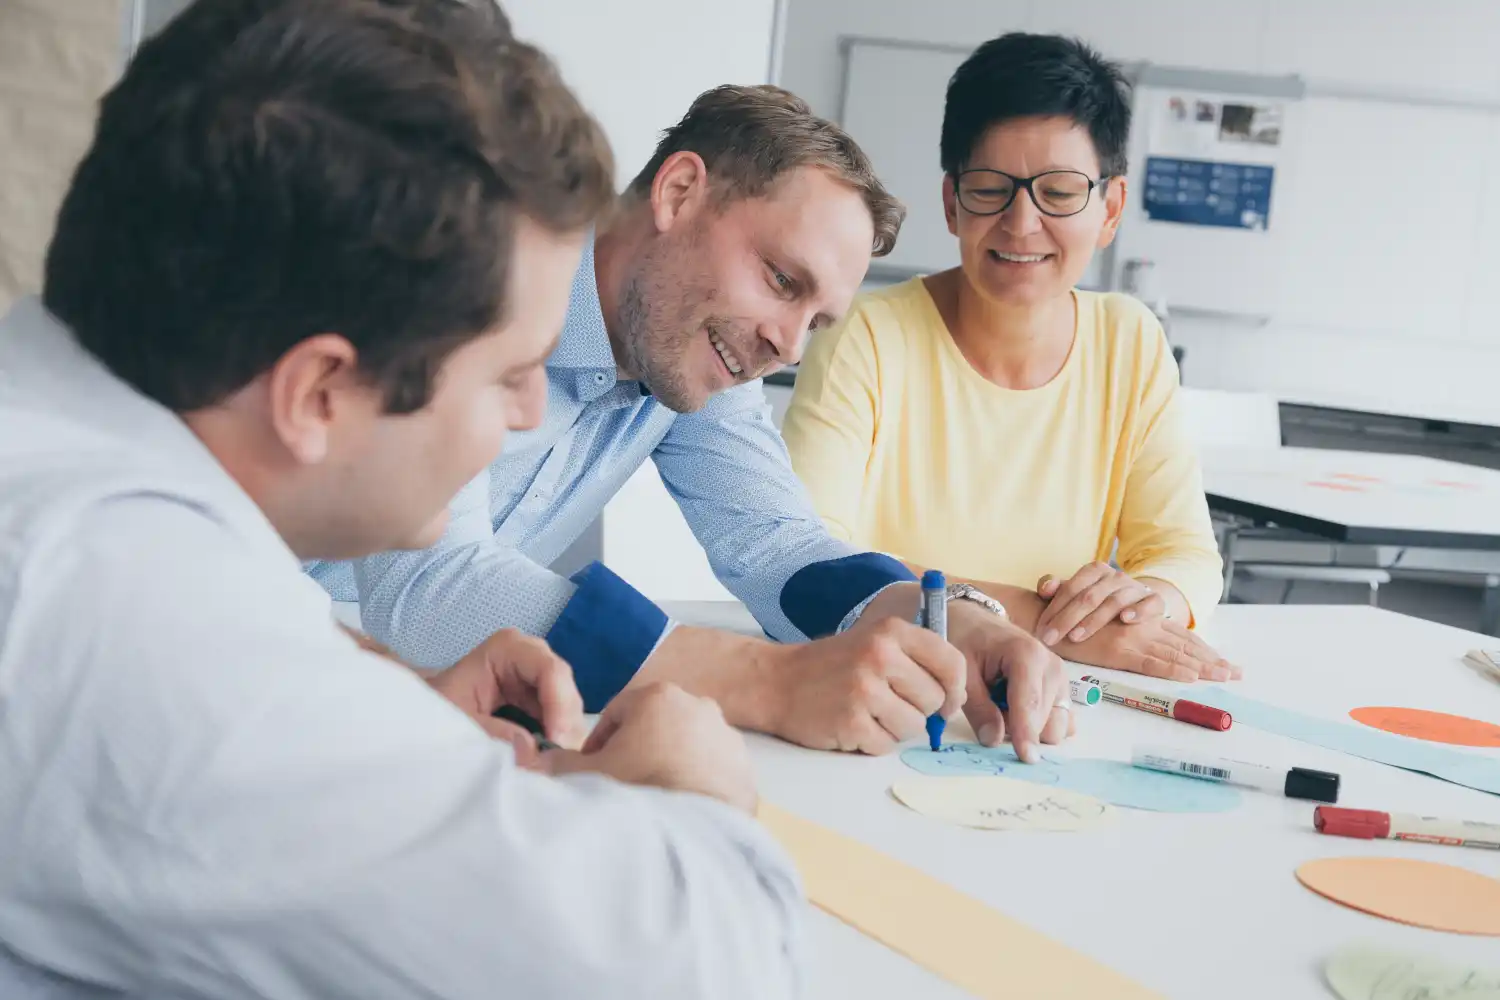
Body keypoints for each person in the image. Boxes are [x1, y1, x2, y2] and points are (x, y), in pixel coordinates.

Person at [0, 1, 807, 996]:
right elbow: (707, 966)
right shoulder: (150, 632)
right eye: (510, 372)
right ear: (319, 392)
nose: (527, 414)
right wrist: (695, 786)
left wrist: (388, 711)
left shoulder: (57, 421)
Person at [312, 82, 1222, 760]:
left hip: (423, 724)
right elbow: (432, 588)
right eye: (782, 282)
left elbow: (782, 547)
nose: (786, 345)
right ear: (678, 193)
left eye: (816, 320)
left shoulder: (701, 353)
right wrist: (766, 684)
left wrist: (956, 625)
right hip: (249, 685)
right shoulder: (480, 276)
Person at [780, 33, 1238, 683]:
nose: (1021, 223)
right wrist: (1049, 621)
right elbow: (814, 557)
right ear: (951, 202)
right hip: (886, 682)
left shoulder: (1130, 342)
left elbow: (1184, 555)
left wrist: (1143, 603)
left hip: (1061, 696)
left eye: (1057, 191)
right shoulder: (867, 335)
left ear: (1110, 209)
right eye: (991, 188)